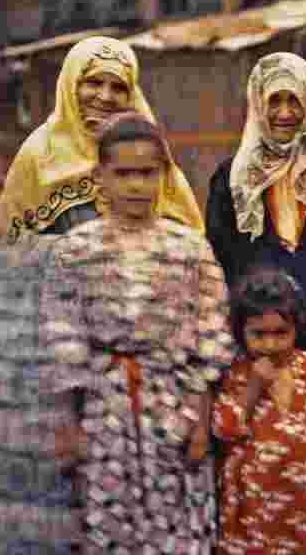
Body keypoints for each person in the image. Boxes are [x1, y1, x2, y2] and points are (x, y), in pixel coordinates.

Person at [39, 113, 234, 554]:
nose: (135, 185)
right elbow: (62, 338)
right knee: (107, 528)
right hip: (103, 413)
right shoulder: (76, 250)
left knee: (176, 530)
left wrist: (200, 421)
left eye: (146, 173)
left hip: (173, 408)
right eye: (123, 174)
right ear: (100, 177)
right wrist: (71, 428)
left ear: (163, 176)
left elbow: (212, 337)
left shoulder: (189, 248)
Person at [205, 52, 306, 362]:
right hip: (259, 342)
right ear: (257, 104)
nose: (284, 113)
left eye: (294, 101)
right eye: (274, 101)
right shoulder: (231, 178)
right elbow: (223, 260)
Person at [0, 36, 203, 246]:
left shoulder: (146, 148)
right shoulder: (39, 153)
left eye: (118, 88)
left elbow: (189, 241)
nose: (105, 96)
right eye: (94, 82)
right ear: (71, 84)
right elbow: (10, 246)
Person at [214, 267, 306, 555]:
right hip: (252, 506)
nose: (270, 344)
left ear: (298, 327)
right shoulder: (236, 373)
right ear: (240, 331)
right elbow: (224, 428)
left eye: (281, 333)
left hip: (305, 504)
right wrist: (254, 387)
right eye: (258, 334)